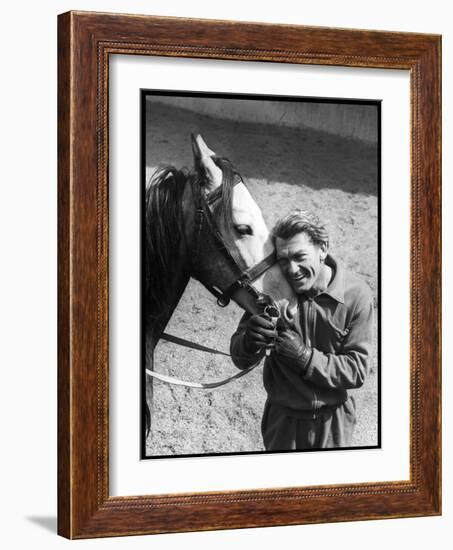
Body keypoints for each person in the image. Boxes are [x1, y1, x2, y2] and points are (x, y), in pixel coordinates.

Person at [230, 210, 374, 450]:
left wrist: (305, 358)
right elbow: (239, 358)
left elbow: (357, 370)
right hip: (283, 422)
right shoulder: (272, 289)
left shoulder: (356, 295)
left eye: (300, 257)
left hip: (333, 423)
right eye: (283, 260)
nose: (292, 269)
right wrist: (249, 341)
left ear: (323, 249)